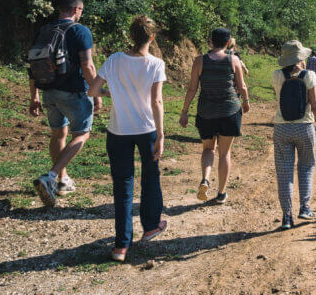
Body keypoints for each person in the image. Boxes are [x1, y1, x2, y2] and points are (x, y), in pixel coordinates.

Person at [87, 15, 168, 263]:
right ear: (151, 37)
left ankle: (121, 246)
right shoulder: (156, 63)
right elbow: (156, 101)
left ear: (131, 36)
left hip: (118, 130)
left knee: (122, 185)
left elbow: (92, 90)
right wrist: (161, 134)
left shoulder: (113, 60)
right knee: (150, 176)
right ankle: (151, 226)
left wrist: (111, 92)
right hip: (147, 129)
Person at [29, 0, 101, 208]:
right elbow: (87, 66)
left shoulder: (44, 30)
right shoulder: (80, 31)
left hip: (49, 91)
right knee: (82, 134)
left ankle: (62, 180)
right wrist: (96, 93)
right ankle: (50, 177)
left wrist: (34, 96)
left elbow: (33, 66)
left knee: (58, 134)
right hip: (74, 92)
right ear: (77, 10)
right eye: (81, 11)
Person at [179, 27, 250, 203]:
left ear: (210, 41)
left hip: (206, 112)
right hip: (229, 111)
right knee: (224, 153)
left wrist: (184, 111)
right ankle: (221, 193)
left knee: (208, 149)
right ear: (228, 42)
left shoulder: (199, 61)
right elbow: (241, 86)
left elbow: (192, 88)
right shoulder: (233, 60)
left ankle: (205, 179)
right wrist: (246, 101)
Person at [272, 39, 316, 229]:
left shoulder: (276, 75)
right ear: (300, 58)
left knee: (284, 173)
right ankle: (305, 207)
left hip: (281, 128)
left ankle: (287, 216)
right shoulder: (309, 75)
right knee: (306, 167)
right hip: (304, 127)